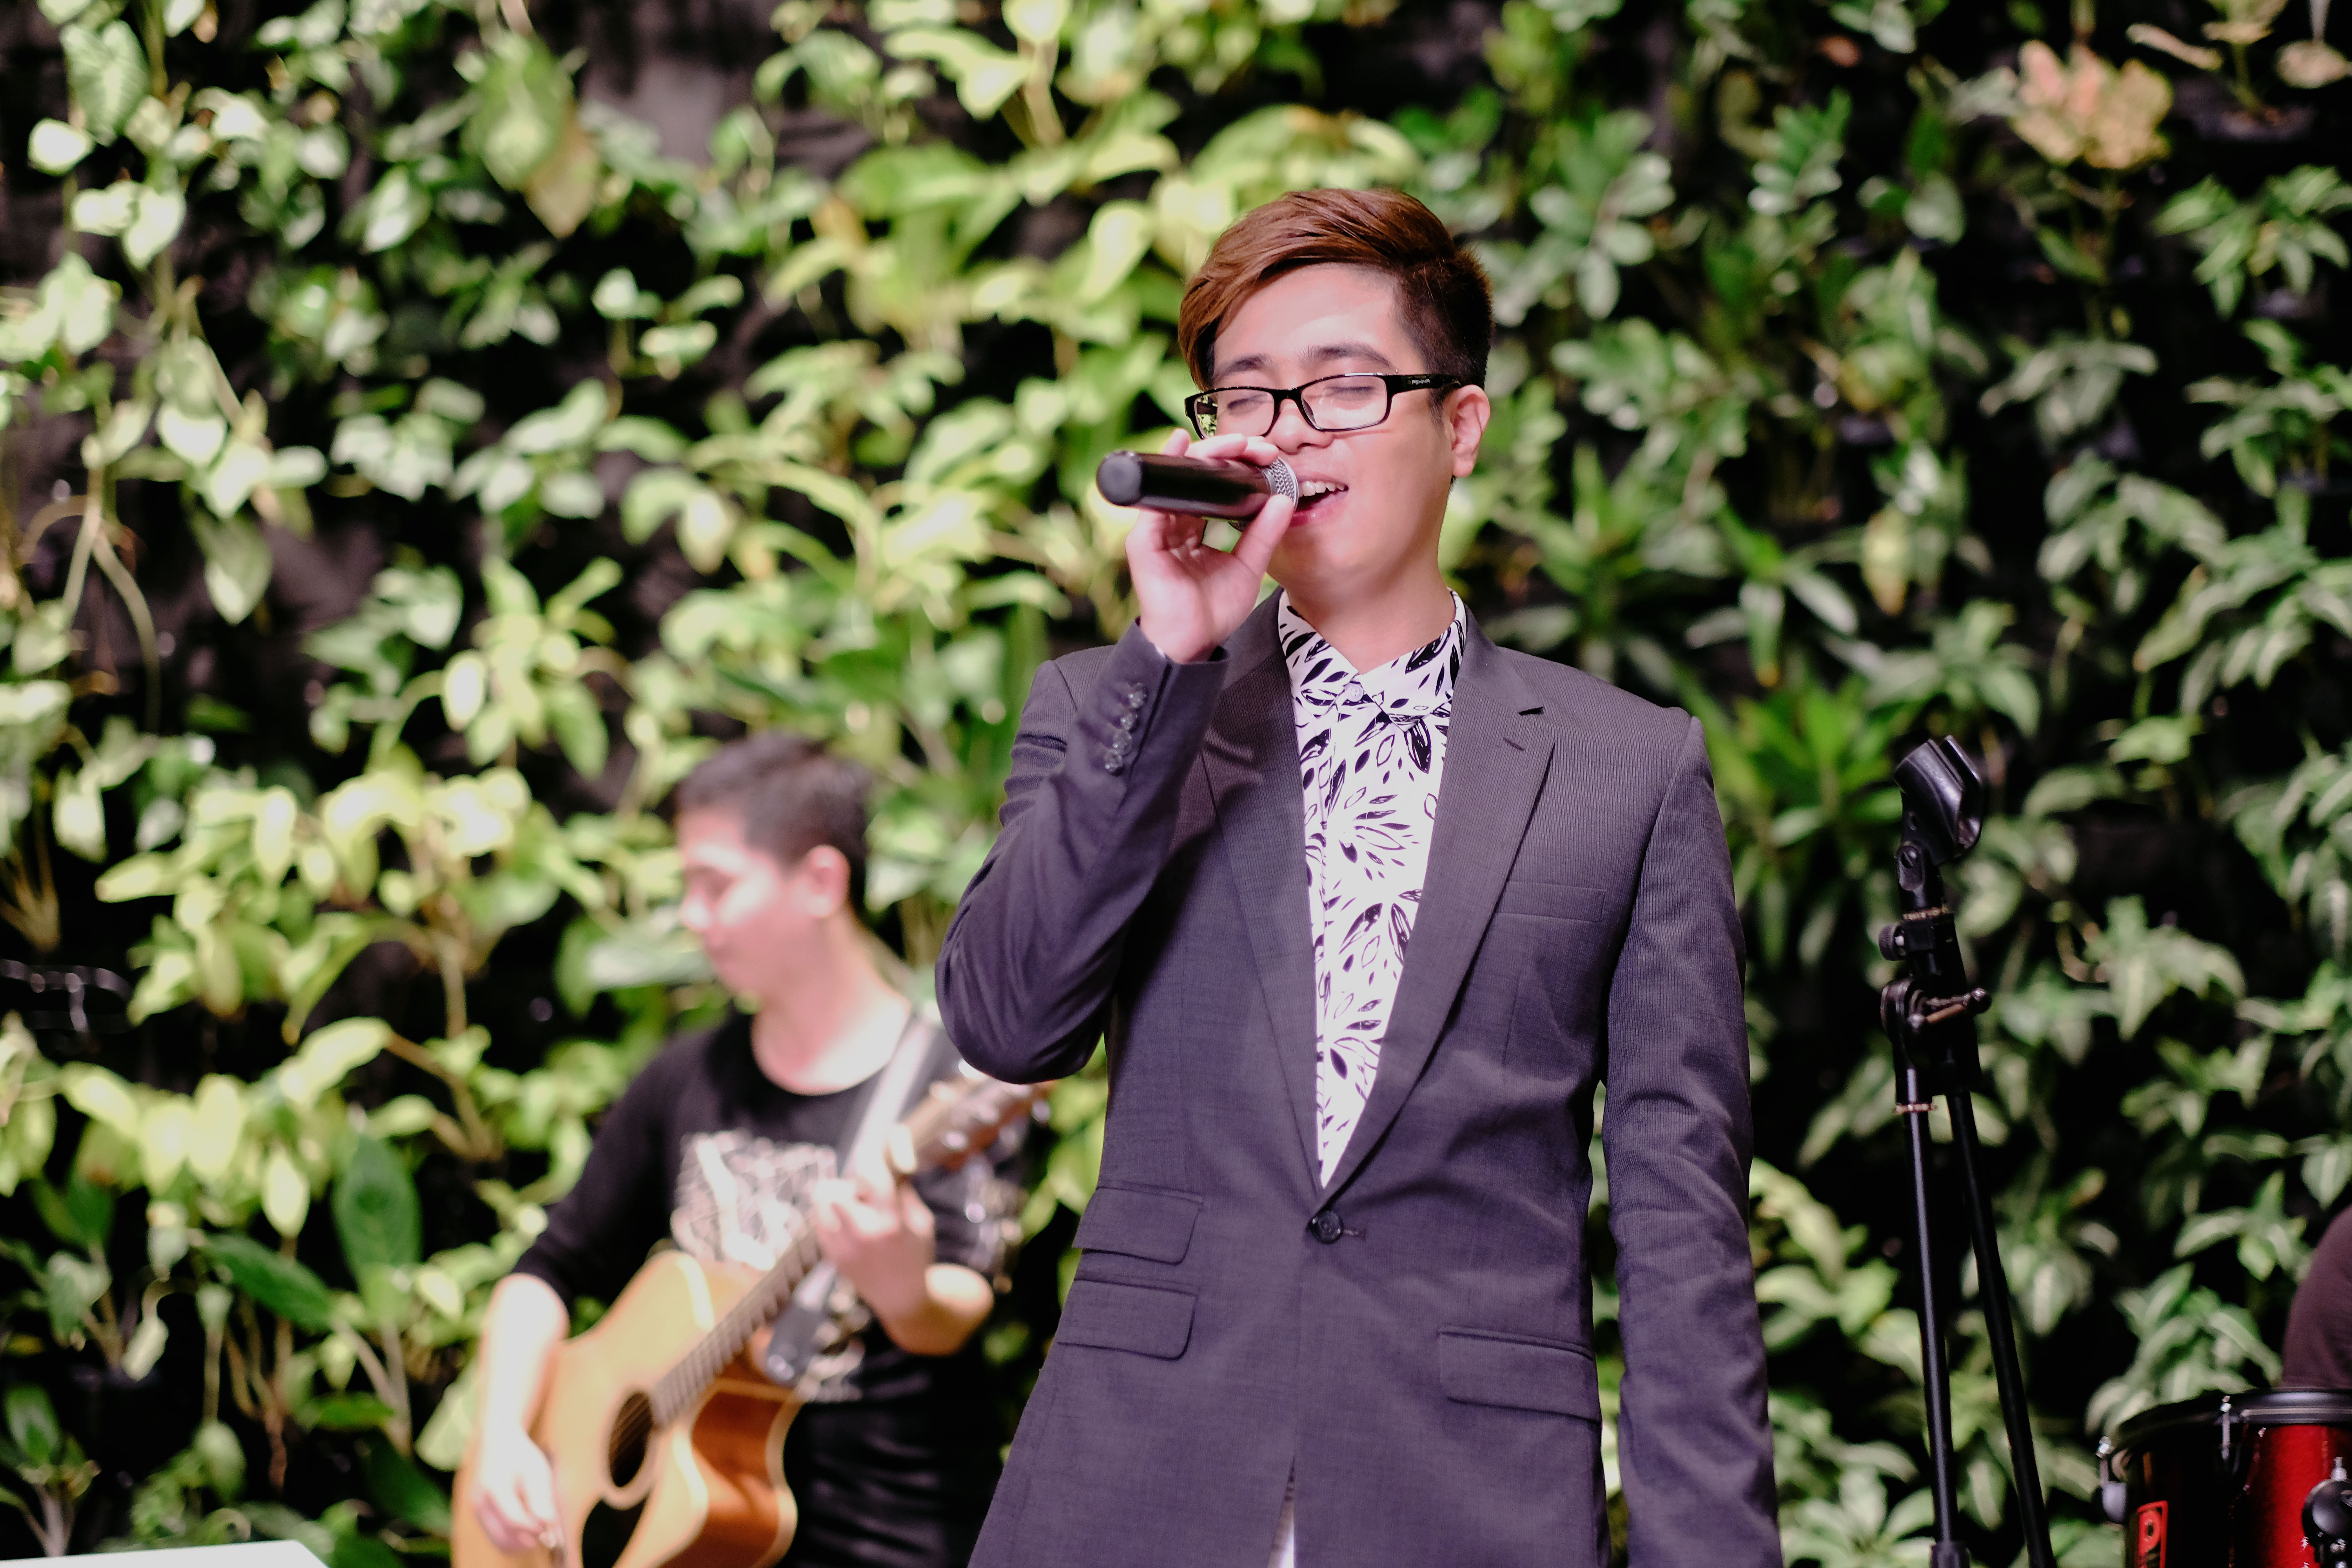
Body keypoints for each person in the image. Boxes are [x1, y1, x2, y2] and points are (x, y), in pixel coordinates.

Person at [935, 188, 1779, 1568]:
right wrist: (1170, 659)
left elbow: (1683, 1232)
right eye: (1247, 396)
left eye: (1341, 387)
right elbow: (1008, 1021)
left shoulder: (1632, 769)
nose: (1287, 432)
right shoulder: (1111, 705)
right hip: (1134, 1489)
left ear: (1461, 427)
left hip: (1467, 1505)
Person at [465, 733, 1022, 1568]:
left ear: (821, 882)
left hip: (884, 1542)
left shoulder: (944, 1091)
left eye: (716, 885)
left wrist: (904, 1289)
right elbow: (547, 1269)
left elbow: (955, 1310)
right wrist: (502, 1434)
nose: (692, 916)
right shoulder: (685, 1077)